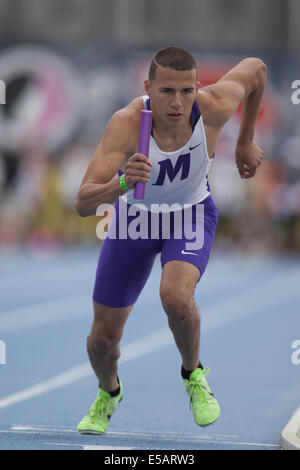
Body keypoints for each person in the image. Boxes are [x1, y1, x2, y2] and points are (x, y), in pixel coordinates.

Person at [75, 46, 266, 434]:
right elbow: (82, 202)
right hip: (135, 220)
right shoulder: (127, 124)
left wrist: (246, 138)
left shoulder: (214, 105)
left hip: (191, 214)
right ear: (148, 87)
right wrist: (123, 182)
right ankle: (108, 392)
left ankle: (193, 374)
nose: (177, 103)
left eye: (186, 91)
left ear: (198, 87)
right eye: (165, 92)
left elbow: (257, 70)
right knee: (101, 341)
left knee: (176, 297)